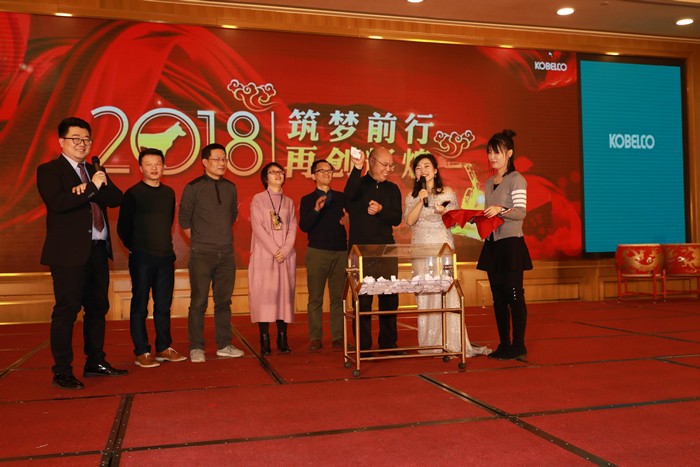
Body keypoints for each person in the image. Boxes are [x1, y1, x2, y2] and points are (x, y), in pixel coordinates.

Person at [37, 116, 127, 389]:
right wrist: (90, 189)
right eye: (75, 138)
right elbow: (57, 202)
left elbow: (116, 198)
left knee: (98, 308)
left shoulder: (94, 170)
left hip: (98, 250)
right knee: (67, 310)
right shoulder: (49, 170)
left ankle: (95, 362)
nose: (82, 143)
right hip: (68, 254)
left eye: (86, 139)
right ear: (61, 141)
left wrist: (91, 187)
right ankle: (62, 371)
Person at [404, 153, 490, 357]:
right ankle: (430, 344)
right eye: (418, 168)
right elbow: (409, 221)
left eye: (427, 166)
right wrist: (421, 200)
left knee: (446, 292)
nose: (423, 170)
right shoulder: (411, 196)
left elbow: (455, 221)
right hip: (421, 250)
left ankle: (451, 342)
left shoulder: (448, 192)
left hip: (442, 247)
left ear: (435, 170)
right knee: (426, 294)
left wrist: (444, 212)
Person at [117, 148, 186, 368]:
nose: (154, 168)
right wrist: (137, 248)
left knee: (163, 304)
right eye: (149, 164)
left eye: (158, 164)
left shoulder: (168, 193)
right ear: (140, 168)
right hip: (142, 258)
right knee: (140, 304)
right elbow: (123, 228)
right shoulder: (133, 193)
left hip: (165, 257)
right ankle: (142, 351)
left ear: (164, 166)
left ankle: (164, 347)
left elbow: (168, 222)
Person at [179, 143, 244, 363]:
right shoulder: (193, 187)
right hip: (202, 254)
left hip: (226, 254)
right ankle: (196, 347)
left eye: (224, 159)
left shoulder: (231, 187)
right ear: (205, 162)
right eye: (217, 159)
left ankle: (224, 344)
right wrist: (201, 241)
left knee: (223, 302)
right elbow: (184, 220)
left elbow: (232, 215)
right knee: (198, 302)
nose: (221, 163)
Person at [476, 130, 532, 360]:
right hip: (493, 245)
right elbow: (490, 214)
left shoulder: (516, 178)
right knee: (498, 298)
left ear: (509, 153)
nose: (492, 157)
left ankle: (518, 344)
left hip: (511, 245)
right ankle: (504, 344)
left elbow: (520, 212)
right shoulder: (489, 182)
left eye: (497, 152)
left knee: (514, 295)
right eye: (489, 152)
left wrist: (501, 209)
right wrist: (478, 218)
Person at [344, 147, 403, 354]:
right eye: (384, 165)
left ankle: (388, 342)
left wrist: (381, 210)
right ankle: (363, 345)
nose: (388, 169)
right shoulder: (359, 184)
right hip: (360, 251)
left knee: (389, 297)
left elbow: (397, 218)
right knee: (362, 300)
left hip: (386, 249)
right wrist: (356, 168)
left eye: (391, 166)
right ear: (372, 162)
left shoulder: (393, 189)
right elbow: (347, 198)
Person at [299, 159, 348, 352]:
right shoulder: (307, 200)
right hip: (317, 252)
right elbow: (304, 226)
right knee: (315, 298)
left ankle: (338, 337)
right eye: (322, 170)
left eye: (330, 170)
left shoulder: (342, 197)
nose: (327, 173)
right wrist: (316, 210)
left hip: (340, 251)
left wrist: (348, 220)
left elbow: (349, 219)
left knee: (338, 297)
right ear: (313, 175)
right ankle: (315, 337)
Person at [248, 162, 297, 355]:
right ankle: (264, 338)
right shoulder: (258, 199)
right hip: (265, 255)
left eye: (280, 172)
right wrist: (275, 249)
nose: (278, 174)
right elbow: (257, 227)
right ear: (265, 178)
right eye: (272, 172)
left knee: (283, 297)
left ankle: (283, 337)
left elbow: (292, 227)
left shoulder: (289, 202)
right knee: (264, 296)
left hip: (285, 256)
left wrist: (284, 250)